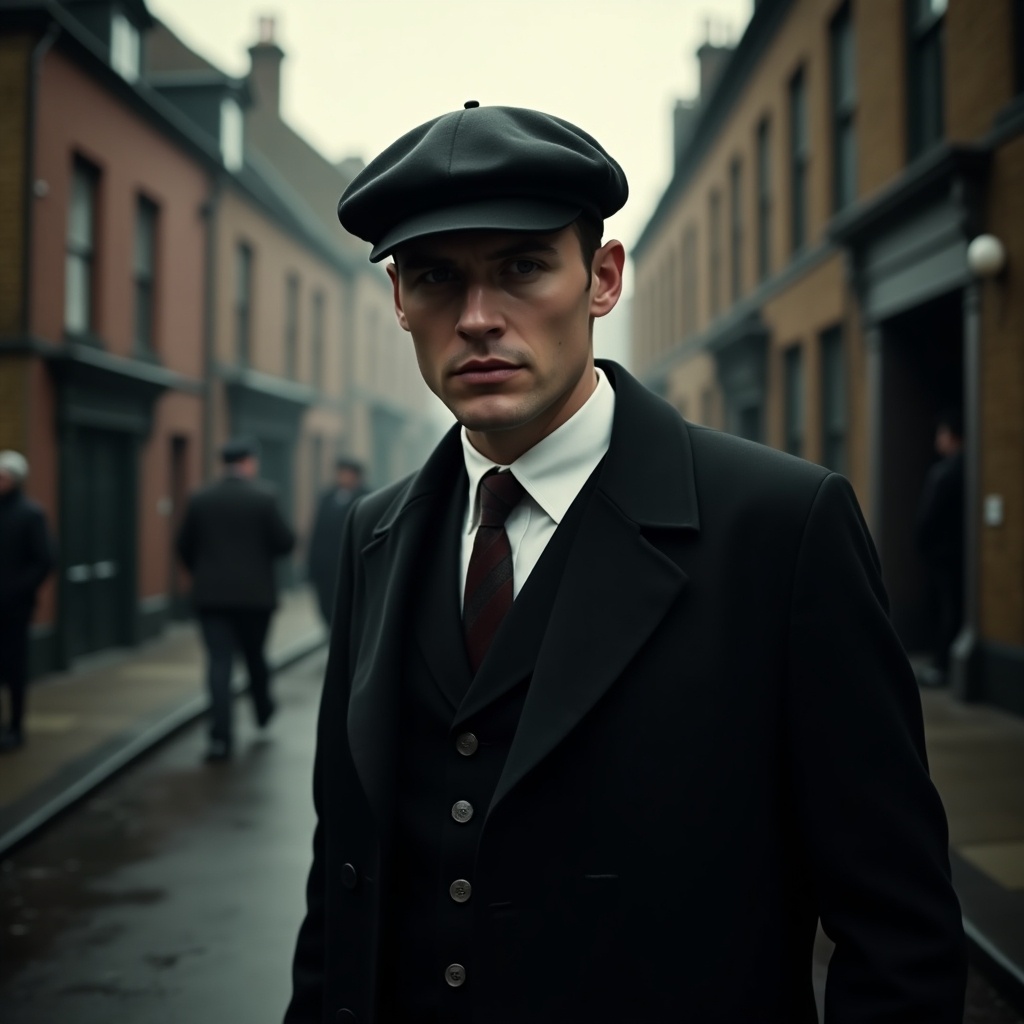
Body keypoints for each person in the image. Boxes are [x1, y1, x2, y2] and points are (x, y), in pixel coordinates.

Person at [285, 104, 966, 1023]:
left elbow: (899, 930)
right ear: (400, 298)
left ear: (603, 278)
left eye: (523, 267)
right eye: (438, 277)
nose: (478, 318)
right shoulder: (375, 536)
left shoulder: (780, 525)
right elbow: (341, 887)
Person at [176, 439, 296, 761]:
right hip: (256, 598)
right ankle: (263, 709)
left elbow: (184, 546)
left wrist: (204, 573)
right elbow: (285, 543)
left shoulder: (200, 498)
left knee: (219, 664)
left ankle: (220, 738)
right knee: (256, 656)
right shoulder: (264, 497)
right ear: (248, 462)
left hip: (211, 598)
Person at [0, 450, 54, 752]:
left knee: (14, 667)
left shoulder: (30, 514)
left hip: (15, 607)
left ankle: (16, 725)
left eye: (3, 477)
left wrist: (17, 590)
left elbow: (44, 559)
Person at [915, 409, 966, 687]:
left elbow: (928, 518)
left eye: (941, 433)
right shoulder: (970, 469)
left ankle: (941, 665)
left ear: (950, 435)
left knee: (944, 608)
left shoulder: (944, 473)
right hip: (960, 553)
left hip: (941, 554)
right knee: (953, 607)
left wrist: (921, 544)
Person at [307, 458, 367, 625]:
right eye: (341, 473)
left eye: (348, 474)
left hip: (353, 565)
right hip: (328, 568)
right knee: (327, 608)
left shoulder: (368, 498)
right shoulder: (326, 498)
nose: (343, 477)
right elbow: (317, 533)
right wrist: (311, 567)